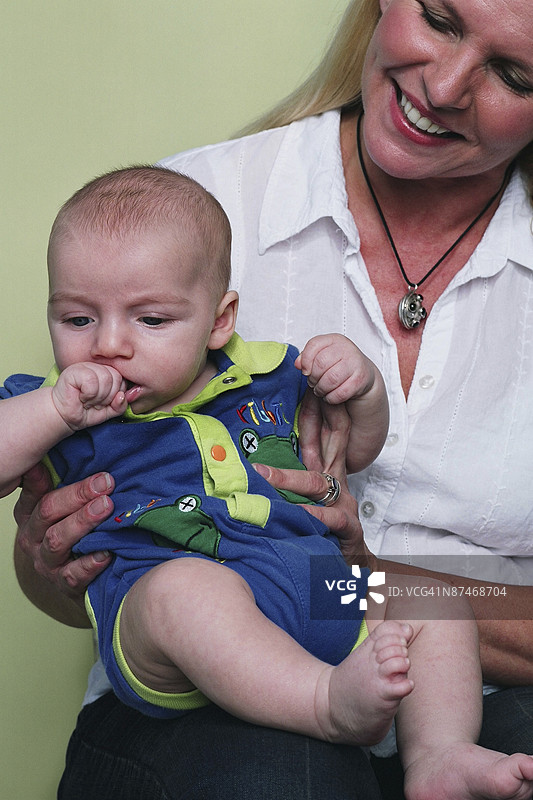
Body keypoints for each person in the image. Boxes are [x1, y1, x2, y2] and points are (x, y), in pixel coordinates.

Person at [12, 0, 533, 797]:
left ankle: (439, 758)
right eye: (438, 19)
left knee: (429, 603)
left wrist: (355, 392)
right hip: (211, 650)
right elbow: (56, 577)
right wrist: (51, 554)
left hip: (330, 591)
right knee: (274, 762)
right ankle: (326, 705)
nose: (446, 85)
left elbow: (355, 446)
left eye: (511, 74)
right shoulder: (179, 214)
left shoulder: (257, 370)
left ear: (222, 321)